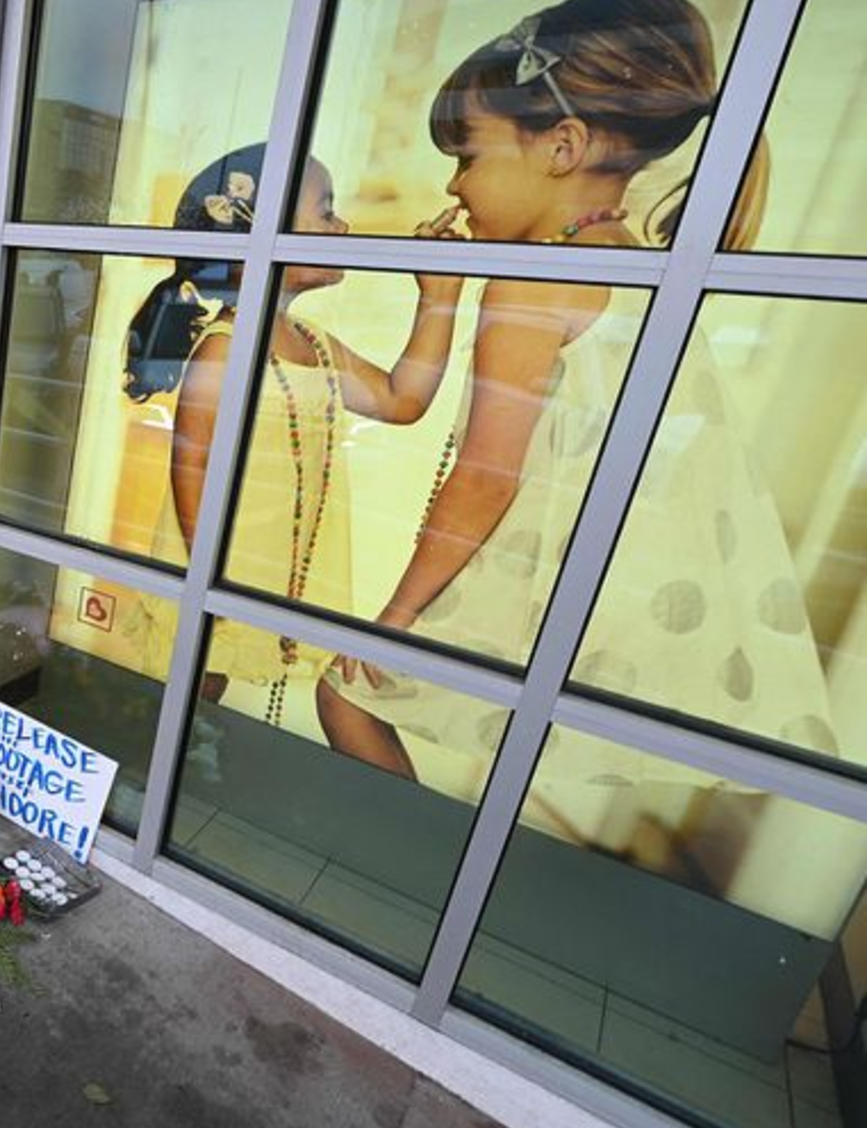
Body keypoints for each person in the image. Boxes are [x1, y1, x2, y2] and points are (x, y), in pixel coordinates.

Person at [318, 0, 836, 780]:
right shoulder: (626, 257)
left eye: (468, 156)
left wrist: (395, 617)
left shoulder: (534, 286)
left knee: (346, 694)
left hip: (541, 572)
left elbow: (487, 473)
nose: (455, 187)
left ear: (560, 146)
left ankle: (394, 878)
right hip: (617, 583)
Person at [125, 145, 463, 722]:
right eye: (326, 212)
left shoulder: (314, 345)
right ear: (267, 231)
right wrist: (215, 594)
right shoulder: (224, 356)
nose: (343, 226)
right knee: (189, 690)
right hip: (224, 579)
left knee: (205, 698)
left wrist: (438, 297)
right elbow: (194, 486)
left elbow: (401, 400)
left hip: (266, 574)